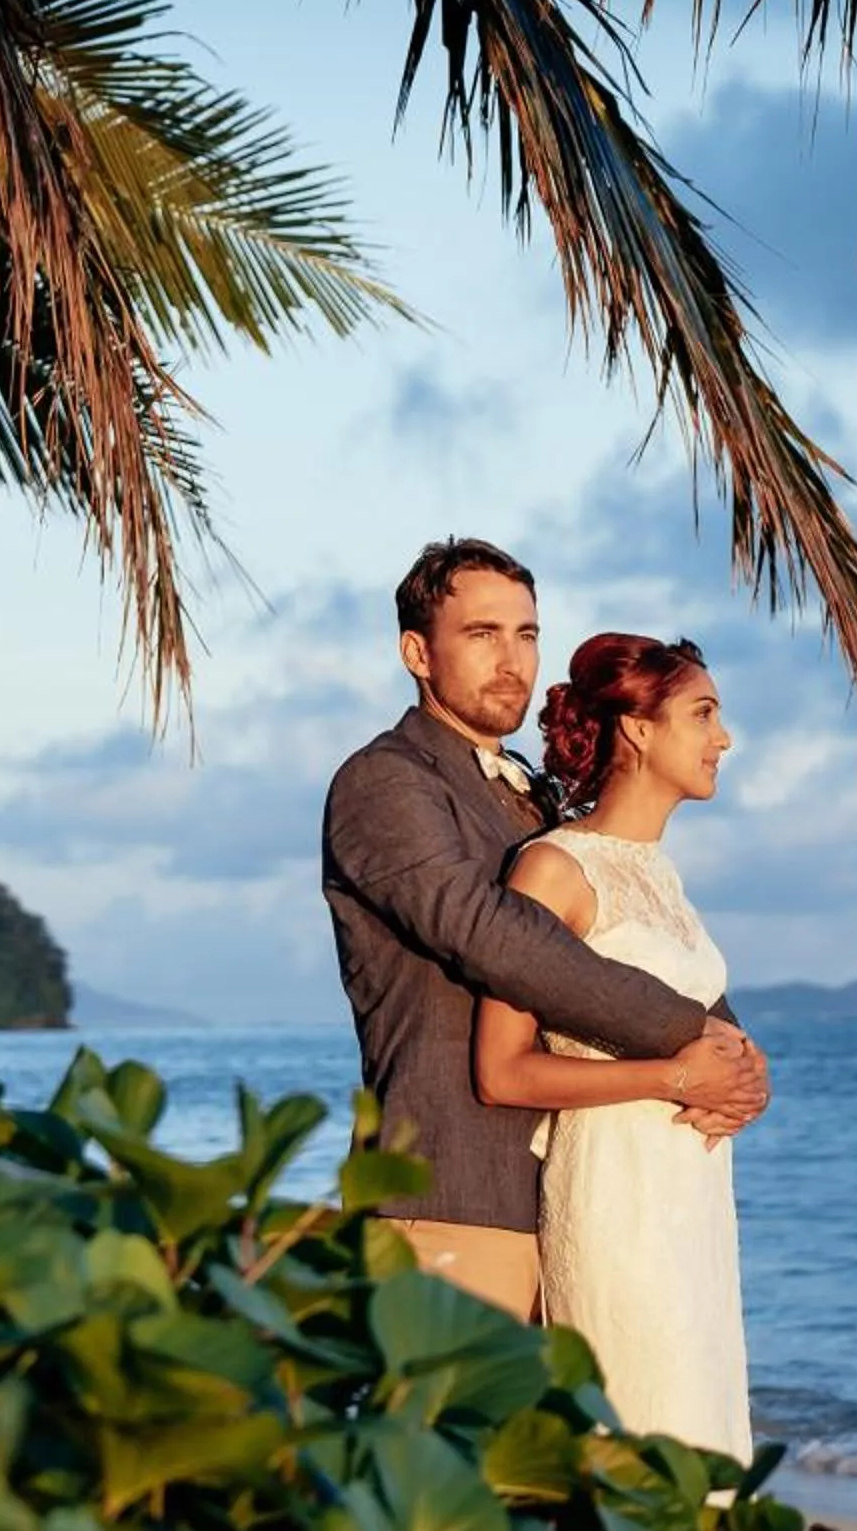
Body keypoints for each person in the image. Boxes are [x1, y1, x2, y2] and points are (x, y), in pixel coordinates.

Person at [321, 541, 767, 1324]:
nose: (512, 660)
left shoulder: (535, 797)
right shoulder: (386, 780)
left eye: (526, 635)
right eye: (482, 634)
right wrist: (686, 1034)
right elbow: (489, 933)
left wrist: (736, 1054)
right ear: (417, 653)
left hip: (576, 1207)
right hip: (451, 1195)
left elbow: (612, 925)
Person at [474, 632, 751, 1459]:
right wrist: (673, 1079)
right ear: (637, 728)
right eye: (703, 714)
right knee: (639, 1434)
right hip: (616, 1201)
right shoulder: (553, 870)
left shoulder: (660, 874)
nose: (723, 737)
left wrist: (748, 1073)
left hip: (692, 1201)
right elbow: (502, 1070)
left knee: (703, 1440)